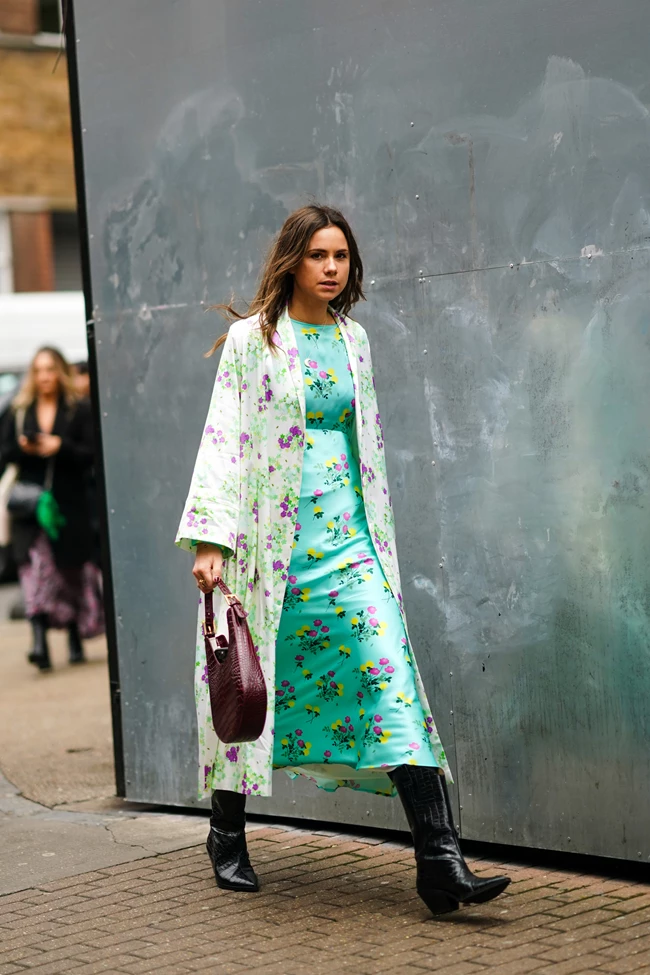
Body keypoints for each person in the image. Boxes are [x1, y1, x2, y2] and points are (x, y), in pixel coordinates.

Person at [176, 204, 509, 916]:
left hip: (352, 545)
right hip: (274, 546)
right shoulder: (253, 339)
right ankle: (226, 829)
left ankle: (440, 859)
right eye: (319, 254)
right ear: (292, 259)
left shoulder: (354, 339)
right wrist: (212, 536)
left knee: (394, 676)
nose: (333, 267)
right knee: (253, 683)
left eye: (342, 256)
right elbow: (225, 435)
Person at [0, 347, 104, 670]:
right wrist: (23, 447)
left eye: (49, 369)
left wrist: (60, 446)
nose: (44, 376)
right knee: (34, 570)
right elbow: (3, 452)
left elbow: (92, 455)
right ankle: (39, 639)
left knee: (67, 574)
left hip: (68, 505)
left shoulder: (78, 409)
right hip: (30, 508)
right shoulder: (19, 410)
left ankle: (73, 633)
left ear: (58, 372)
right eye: (38, 369)